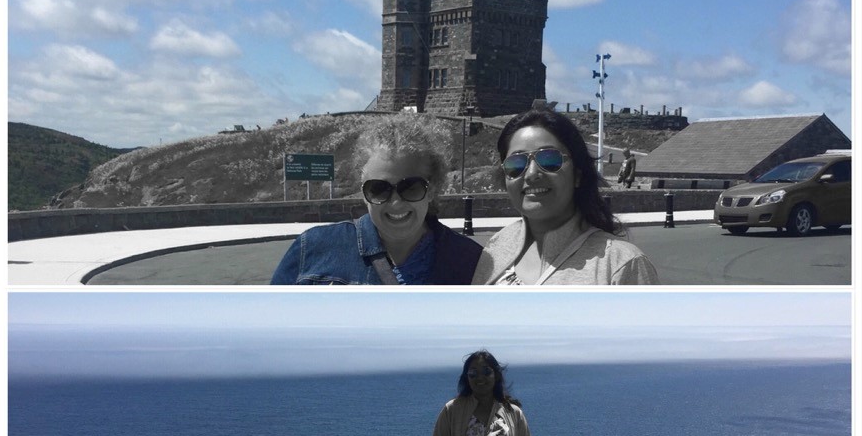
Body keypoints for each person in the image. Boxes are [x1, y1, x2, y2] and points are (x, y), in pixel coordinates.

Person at [271, 115, 481, 284]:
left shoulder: (471, 261)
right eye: (379, 189)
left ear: (433, 189)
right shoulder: (312, 249)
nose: (396, 202)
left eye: (411, 187)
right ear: (363, 193)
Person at [472, 108, 658, 285]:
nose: (531, 174)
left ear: (577, 175)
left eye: (549, 160)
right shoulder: (497, 245)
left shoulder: (622, 264)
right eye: (516, 163)